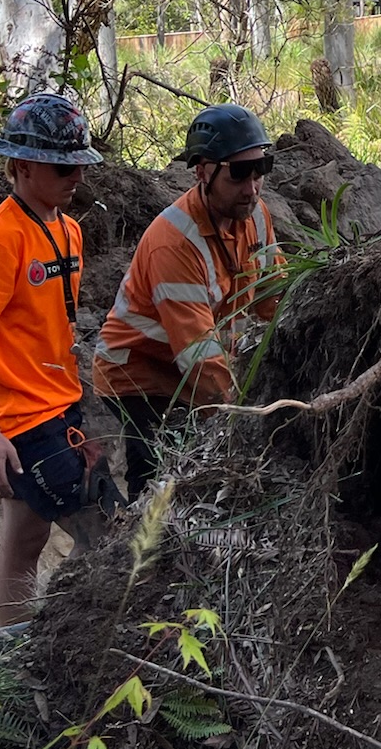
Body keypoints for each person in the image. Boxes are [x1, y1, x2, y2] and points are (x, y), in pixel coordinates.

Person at [0, 94, 120, 625]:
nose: (76, 178)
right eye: (63, 167)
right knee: (109, 535)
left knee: (25, 541)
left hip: (60, 409)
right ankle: (71, 641)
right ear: (20, 166)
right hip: (22, 423)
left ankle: (13, 658)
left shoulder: (68, 230)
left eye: (80, 165)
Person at [93, 105, 283, 497]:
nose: (252, 186)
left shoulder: (256, 215)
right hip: (137, 372)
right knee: (155, 471)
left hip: (188, 366)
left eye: (261, 168)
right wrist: (242, 422)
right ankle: (130, 543)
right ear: (202, 172)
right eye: (238, 172)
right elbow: (200, 359)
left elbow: (274, 300)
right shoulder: (175, 244)